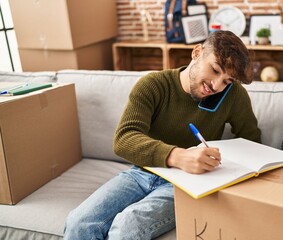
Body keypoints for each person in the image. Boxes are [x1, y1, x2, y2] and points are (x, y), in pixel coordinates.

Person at [64, 30, 261, 240]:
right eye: (214, 70)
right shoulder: (153, 85)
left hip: (188, 182)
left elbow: (252, 142)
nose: (216, 85)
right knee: (79, 223)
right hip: (143, 172)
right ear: (196, 53)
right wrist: (178, 156)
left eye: (227, 81)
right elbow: (124, 138)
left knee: (128, 226)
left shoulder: (233, 95)